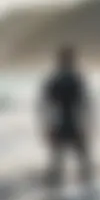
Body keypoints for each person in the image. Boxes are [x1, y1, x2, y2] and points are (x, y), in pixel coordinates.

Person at [40, 46, 93, 186]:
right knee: (60, 161)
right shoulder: (55, 81)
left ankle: (83, 187)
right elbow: (44, 107)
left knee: (80, 160)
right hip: (61, 124)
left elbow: (85, 104)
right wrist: (47, 126)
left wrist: (87, 124)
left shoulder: (75, 79)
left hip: (72, 124)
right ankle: (56, 187)